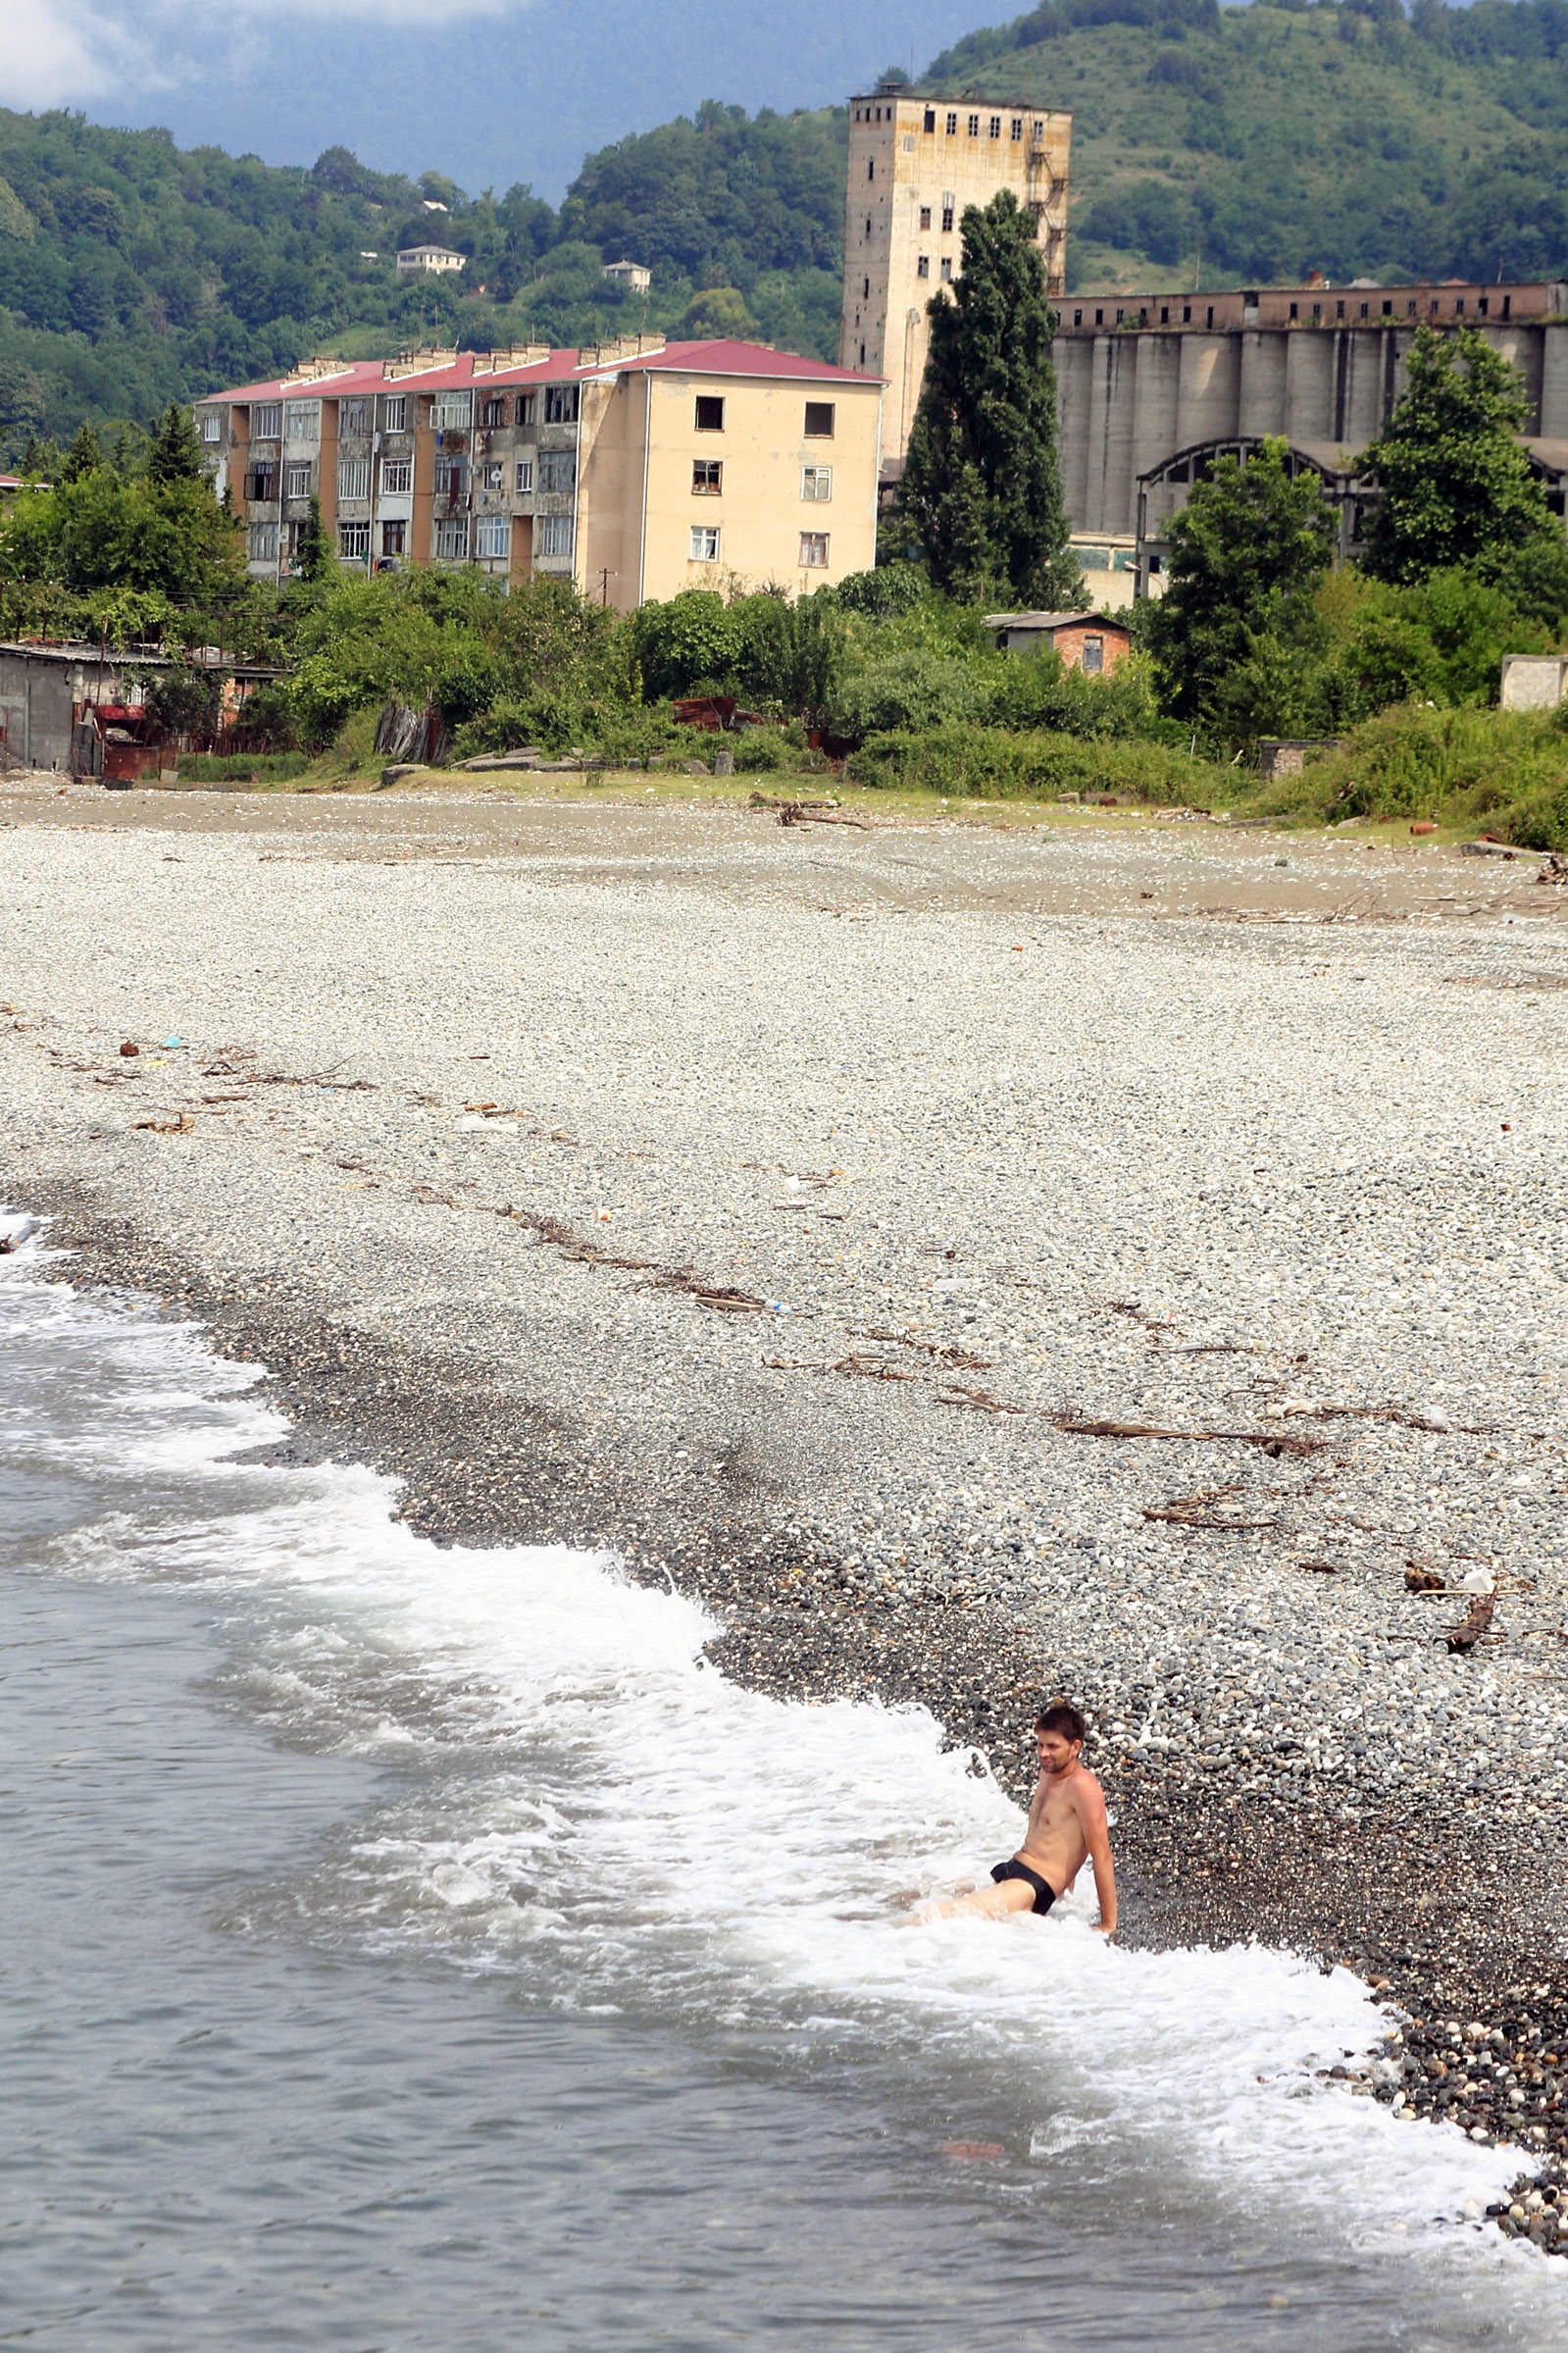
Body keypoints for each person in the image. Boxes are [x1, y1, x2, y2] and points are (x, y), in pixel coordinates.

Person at [920, 1702, 1117, 1934]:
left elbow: (1101, 1855)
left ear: (1075, 1747)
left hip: (1032, 1887)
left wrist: (1107, 1925)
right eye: (1040, 1745)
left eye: (1053, 1747)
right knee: (920, 1893)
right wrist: (1068, 1896)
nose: (1044, 1753)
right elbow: (1061, 1835)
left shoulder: (1083, 1786)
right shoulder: (1048, 1773)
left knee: (932, 1918)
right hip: (1013, 1867)